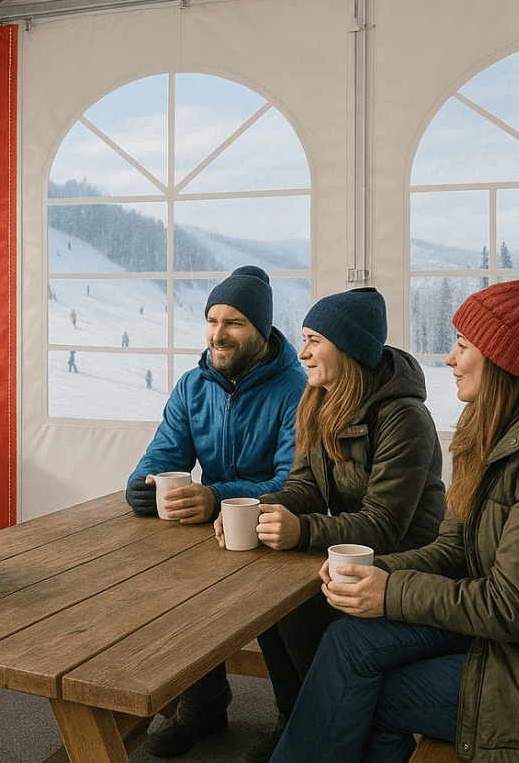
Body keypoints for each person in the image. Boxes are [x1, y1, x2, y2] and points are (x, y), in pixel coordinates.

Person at [270, 268, 519, 763]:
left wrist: (390, 591)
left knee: (370, 693)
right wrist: (377, 570)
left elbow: (510, 607)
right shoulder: (485, 425)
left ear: (501, 358)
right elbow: (454, 548)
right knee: (348, 639)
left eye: (463, 346)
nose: (449, 358)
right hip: (493, 630)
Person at [214, 287, 445, 763]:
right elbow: (304, 486)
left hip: (405, 565)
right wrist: (257, 509)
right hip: (351, 552)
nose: (301, 352)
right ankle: (298, 719)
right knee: (270, 601)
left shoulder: (405, 417)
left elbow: (384, 525)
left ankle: (327, 726)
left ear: (349, 349)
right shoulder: (318, 398)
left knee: (300, 607)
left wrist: (302, 531)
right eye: (304, 338)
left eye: (314, 340)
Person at [126, 265, 308, 757]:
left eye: (234, 323)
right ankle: (202, 708)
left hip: (275, 527)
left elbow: (293, 482)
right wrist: (141, 488)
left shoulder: (296, 389)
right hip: (210, 531)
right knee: (178, 592)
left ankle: (294, 720)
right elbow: (161, 457)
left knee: (278, 613)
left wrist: (216, 495)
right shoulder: (192, 386)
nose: (218, 334)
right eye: (212, 320)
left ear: (262, 330)